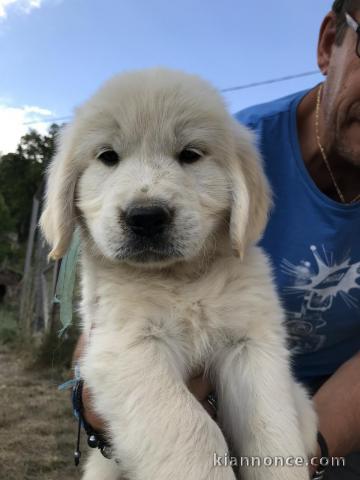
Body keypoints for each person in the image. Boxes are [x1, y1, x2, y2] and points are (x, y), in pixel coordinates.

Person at [73, 1, 360, 478]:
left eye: (188, 156)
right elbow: (105, 334)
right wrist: (103, 395)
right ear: (331, 42)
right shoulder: (233, 137)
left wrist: (292, 458)